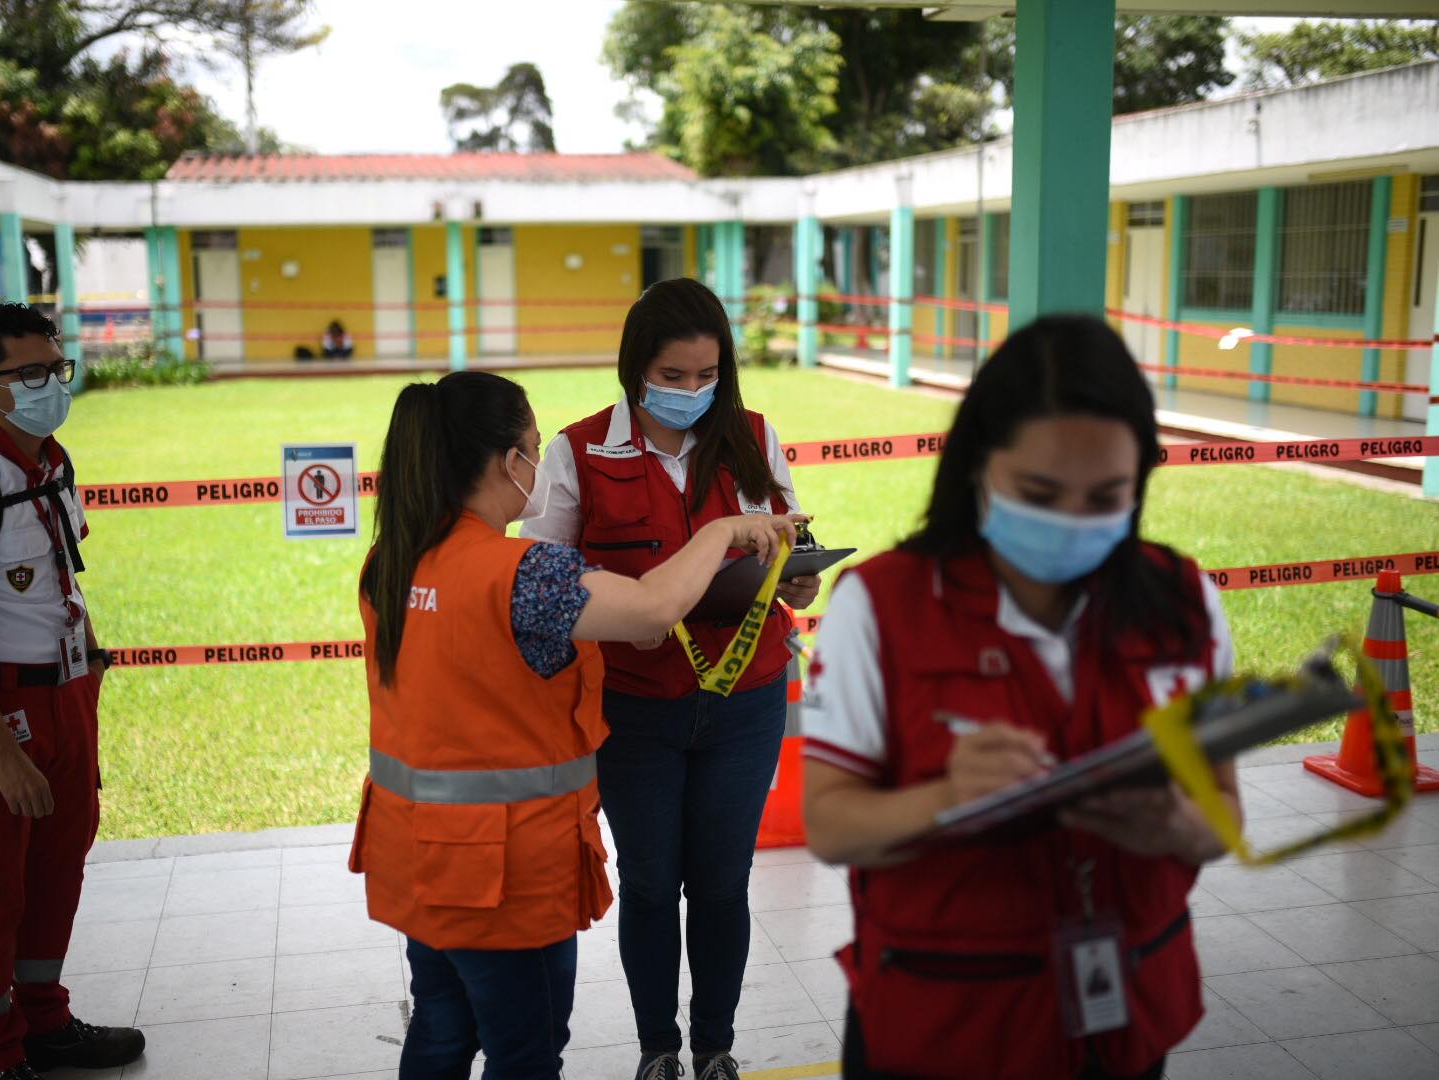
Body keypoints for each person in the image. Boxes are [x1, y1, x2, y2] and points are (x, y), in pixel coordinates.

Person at [800, 314, 1241, 1079]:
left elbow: (1224, 818)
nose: (1074, 521)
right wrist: (945, 799)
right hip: (946, 1025)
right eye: (1039, 492)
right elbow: (831, 826)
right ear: (978, 467)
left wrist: (1178, 823)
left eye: (1108, 495)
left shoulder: (1183, 602)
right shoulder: (882, 604)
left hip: (1126, 1015)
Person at [350, 369, 802, 1080]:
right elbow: (653, 608)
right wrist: (721, 531)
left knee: (440, 1028)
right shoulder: (527, 573)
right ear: (508, 463)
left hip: (414, 854)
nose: (538, 460)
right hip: (503, 874)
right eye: (532, 446)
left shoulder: (390, 560)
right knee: (523, 1051)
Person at [520, 277, 819, 1080]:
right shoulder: (578, 450)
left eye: (706, 375)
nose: (691, 392)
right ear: (635, 369)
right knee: (651, 884)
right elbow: (540, 580)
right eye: (673, 376)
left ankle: (715, 1046)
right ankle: (658, 1048)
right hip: (634, 705)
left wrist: (798, 579)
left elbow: (790, 545)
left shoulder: (753, 437)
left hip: (746, 699)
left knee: (722, 886)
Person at [0, 303, 143, 1080]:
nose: (51, 384)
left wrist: (90, 676)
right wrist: (1, 752)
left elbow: (55, 579)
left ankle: (44, 1024)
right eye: (30, 373)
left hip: (68, 695)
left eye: (57, 367)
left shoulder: (49, 459)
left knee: (58, 865)